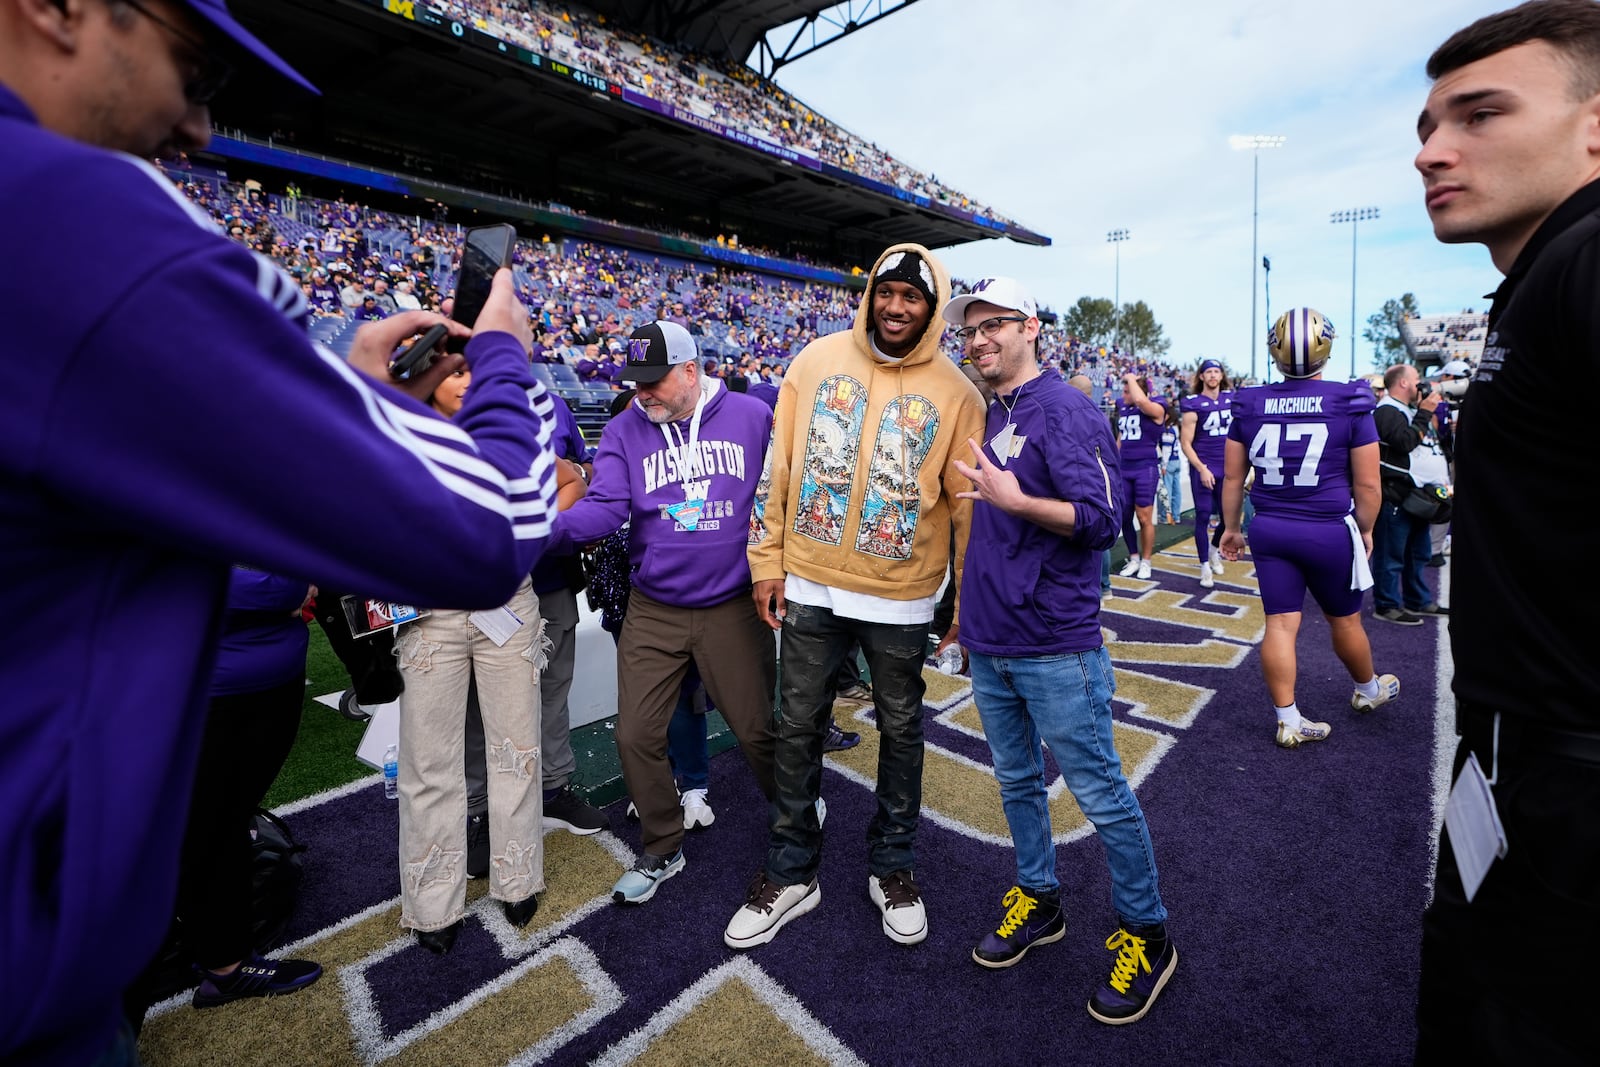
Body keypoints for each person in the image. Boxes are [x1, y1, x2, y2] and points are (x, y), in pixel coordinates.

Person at [0, 4, 560, 1062]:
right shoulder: (72, 211)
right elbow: (490, 526)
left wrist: (329, 395)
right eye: (197, 70)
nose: (202, 132)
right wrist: (502, 362)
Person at [1414, 4, 1600, 1060]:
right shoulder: (1536, 279)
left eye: (1479, 114)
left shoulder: (1584, 260)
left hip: (1569, 781)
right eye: (1430, 125)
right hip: (1520, 760)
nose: (1431, 151)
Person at [725, 243, 985, 951]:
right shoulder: (812, 361)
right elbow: (778, 466)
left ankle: (893, 865)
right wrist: (765, 561)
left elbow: (965, 508)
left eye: (914, 298)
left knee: (901, 731)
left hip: (903, 597)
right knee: (798, 722)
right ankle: (791, 868)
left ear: (931, 308)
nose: (897, 308)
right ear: (870, 292)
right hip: (809, 580)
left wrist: (965, 604)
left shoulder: (960, 393)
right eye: (888, 293)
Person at [946, 277, 1177, 1026]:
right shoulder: (995, 406)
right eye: (971, 331)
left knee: (1101, 790)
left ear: (1032, 327)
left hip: (1053, 641)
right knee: (1015, 781)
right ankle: (1040, 897)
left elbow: (1103, 517)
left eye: (994, 326)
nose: (979, 340)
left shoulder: (1069, 409)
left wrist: (1018, 502)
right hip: (991, 636)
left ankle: (1148, 930)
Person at [546, 321, 779, 906]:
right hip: (654, 604)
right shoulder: (628, 426)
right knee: (635, 732)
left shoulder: (752, 417)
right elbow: (606, 507)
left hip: (731, 602)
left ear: (692, 371)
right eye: (636, 383)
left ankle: (795, 811)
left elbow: (781, 497)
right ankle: (661, 844)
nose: (643, 393)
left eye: (654, 382)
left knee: (756, 729)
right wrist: (539, 529)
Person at [395, 364, 556, 954]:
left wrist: (526, 545)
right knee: (427, 758)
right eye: (453, 367)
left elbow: (567, 481)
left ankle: (518, 878)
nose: (465, 379)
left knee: (516, 749)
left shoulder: (511, 432)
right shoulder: (401, 431)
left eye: (474, 367)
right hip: (428, 611)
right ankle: (432, 904)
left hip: (505, 604)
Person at [1218, 308, 1400, 750]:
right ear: (1327, 348)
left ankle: (1288, 719)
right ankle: (1368, 689)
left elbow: (1231, 478)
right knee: (1346, 620)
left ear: (1274, 350)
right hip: (1326, 530)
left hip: (1272, 528)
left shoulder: (1250, 401)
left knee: (1280, 625)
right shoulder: (1350, 400)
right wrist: (1367, 530)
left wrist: (1231, 528)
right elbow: (1369, 483)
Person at [1371, 363, 1447, 625]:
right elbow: (1404, 442)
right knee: (1391, 555)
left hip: (1419, 496)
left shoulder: (1410, 410)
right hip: (1397, 495)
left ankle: (1418, 600)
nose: (1420, 385)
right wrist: (1425, 413)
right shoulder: (1387, 411)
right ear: (1403, 383)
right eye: (1416, 379)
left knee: (1419, 554)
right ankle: (1387, 604)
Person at [1180, 359, 1234, 587]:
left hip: (1229, 466)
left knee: (1228, 518)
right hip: (1204, 464)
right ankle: (1204, 567)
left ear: (1221, 375)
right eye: (1208, 372)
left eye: (1216, 371)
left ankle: (1213, 551)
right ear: (1201, 377)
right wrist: (1202, 468)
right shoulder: (1193, 403)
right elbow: (1186, 443)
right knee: (1202, 515)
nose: (1212, 375)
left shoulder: (1232, 399)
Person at [1115, 373, 1167, 580]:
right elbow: (1121, 437)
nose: (1124, 394)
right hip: (1124, 467)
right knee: (1124, 516)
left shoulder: (1156, 406)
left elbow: (1140, 400)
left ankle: (1146, 560)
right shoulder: (1123, 406)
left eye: (1128, 390)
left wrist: (1130, 378)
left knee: (1144, 517)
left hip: (1145, 467)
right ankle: (1133, 557)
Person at [1156, 412, 1183, 527]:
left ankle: (1165, 516)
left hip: (1169, 462)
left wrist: (1164, 465)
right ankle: (1176, 516)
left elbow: (1166, 450)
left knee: (1166, 490)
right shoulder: (1175, 428)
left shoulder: (1167, 430)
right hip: (1177, 460)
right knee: (1177, 490)